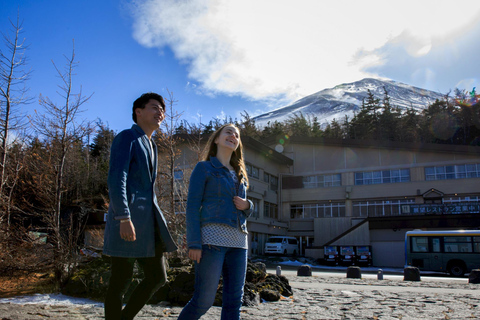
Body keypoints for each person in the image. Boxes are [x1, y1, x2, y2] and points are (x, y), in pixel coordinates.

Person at [103, 92, 177, 320]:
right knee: (120, 281)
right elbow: (117, 178)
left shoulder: (152, 145)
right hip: (128, 221)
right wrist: (123, 217)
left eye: (162, 110)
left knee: (157, 277)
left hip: (148, 224)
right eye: (155, 107)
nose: (160, 113)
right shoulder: (127, 137)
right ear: (139, 111)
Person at [178, 123, 254, 320]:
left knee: (234, 302)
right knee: (203, 301)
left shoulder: (241, 175)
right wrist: (194, 243)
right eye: (228, 132)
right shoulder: (204, 168)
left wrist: (248, 206)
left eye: (236, 135)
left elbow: (243, 210)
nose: (233, 136)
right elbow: (192, 206)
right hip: (212, 242)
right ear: (217, 139)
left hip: (239, 244)